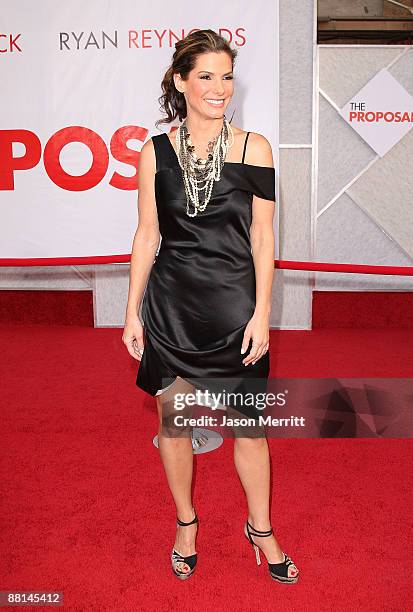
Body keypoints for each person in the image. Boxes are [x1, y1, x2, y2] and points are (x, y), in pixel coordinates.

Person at [122, 29, 299, 584]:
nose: (220, 88)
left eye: (227, 76)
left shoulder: (256, 148)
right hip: (170, 309)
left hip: (235, 312)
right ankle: (186, 522)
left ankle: (261, 527)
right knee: (174, 426)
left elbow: (264, 238)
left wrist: (262, 313)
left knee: (251, 430)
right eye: (206, 76)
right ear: (180, 81)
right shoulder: (155, 152)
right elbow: (147, 233)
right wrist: (132, 311)